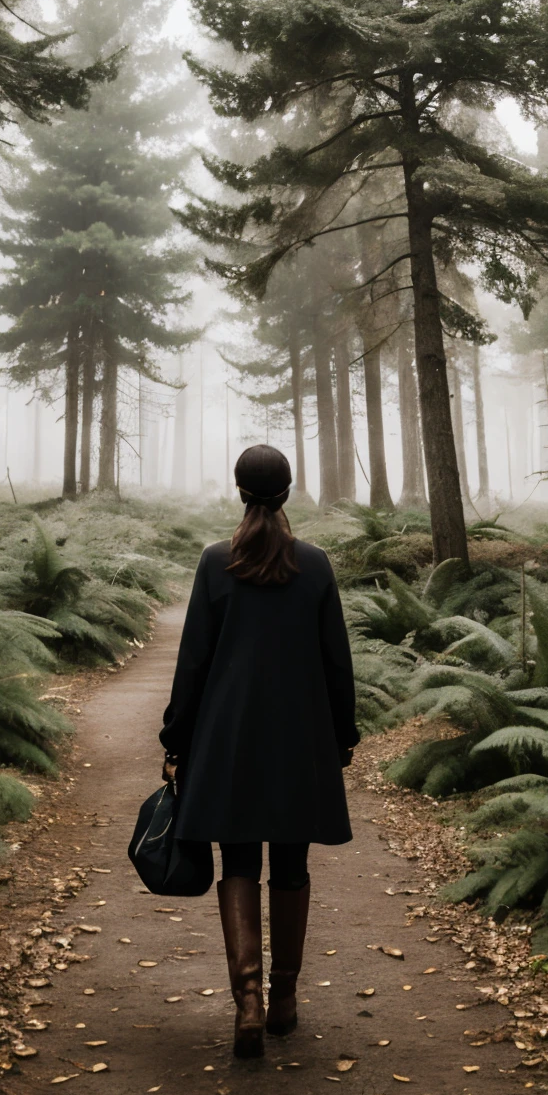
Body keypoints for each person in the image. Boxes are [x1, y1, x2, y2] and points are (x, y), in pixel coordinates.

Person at [158, 443, 358, 1059]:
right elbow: (336, 663)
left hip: (229, 740)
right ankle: (285, 1000)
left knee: (238, 861)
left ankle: (247, 1004)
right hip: (300, 739)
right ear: (288, 492)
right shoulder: (317, 566)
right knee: (291, 865)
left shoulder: (216, 562)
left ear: (240, 491)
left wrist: (175, 737)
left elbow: (193, 661)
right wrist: (343, 735)